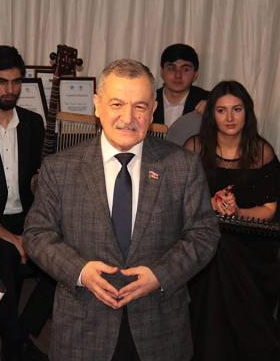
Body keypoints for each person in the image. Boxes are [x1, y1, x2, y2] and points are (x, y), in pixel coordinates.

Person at [23, 59, 220, 361]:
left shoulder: (183, 165)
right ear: (97, 105)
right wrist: (80, 271)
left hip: (160, 327)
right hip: (83, 327)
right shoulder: (60, 167)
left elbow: (204, 234)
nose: (128, 118)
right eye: (117, 104)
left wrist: (160, 274)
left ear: (153, 110)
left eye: (140, 106)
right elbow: (37, 234)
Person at [184, 80, 280, 361]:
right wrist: (209, 205)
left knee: (223, 249)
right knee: (216, 247)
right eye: (221, 110)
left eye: (237, 109)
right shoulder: (194, 147)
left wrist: (237, 212)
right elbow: (176, 202)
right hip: (201, 236)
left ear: (247, 112)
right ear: (211, 114)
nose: (229, 117)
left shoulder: (262, 151)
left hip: (251, 243)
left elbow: (269, 210)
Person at [0, 45, 54, 361]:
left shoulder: (33, 123)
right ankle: (16, 345)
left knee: (65, 257)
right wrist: (10, 237)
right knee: (7, 256)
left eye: (16, 81)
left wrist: (40, 185)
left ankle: (21, 334)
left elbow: (36, 181)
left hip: (28, 218)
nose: (10, 90)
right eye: (2, 81)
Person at [154, 43, 209, 127]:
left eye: (185, 69)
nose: (178, 75)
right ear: (162, 72)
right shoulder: (149, 101)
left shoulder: (209, 101)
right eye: (171, 68)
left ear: (195, 74)